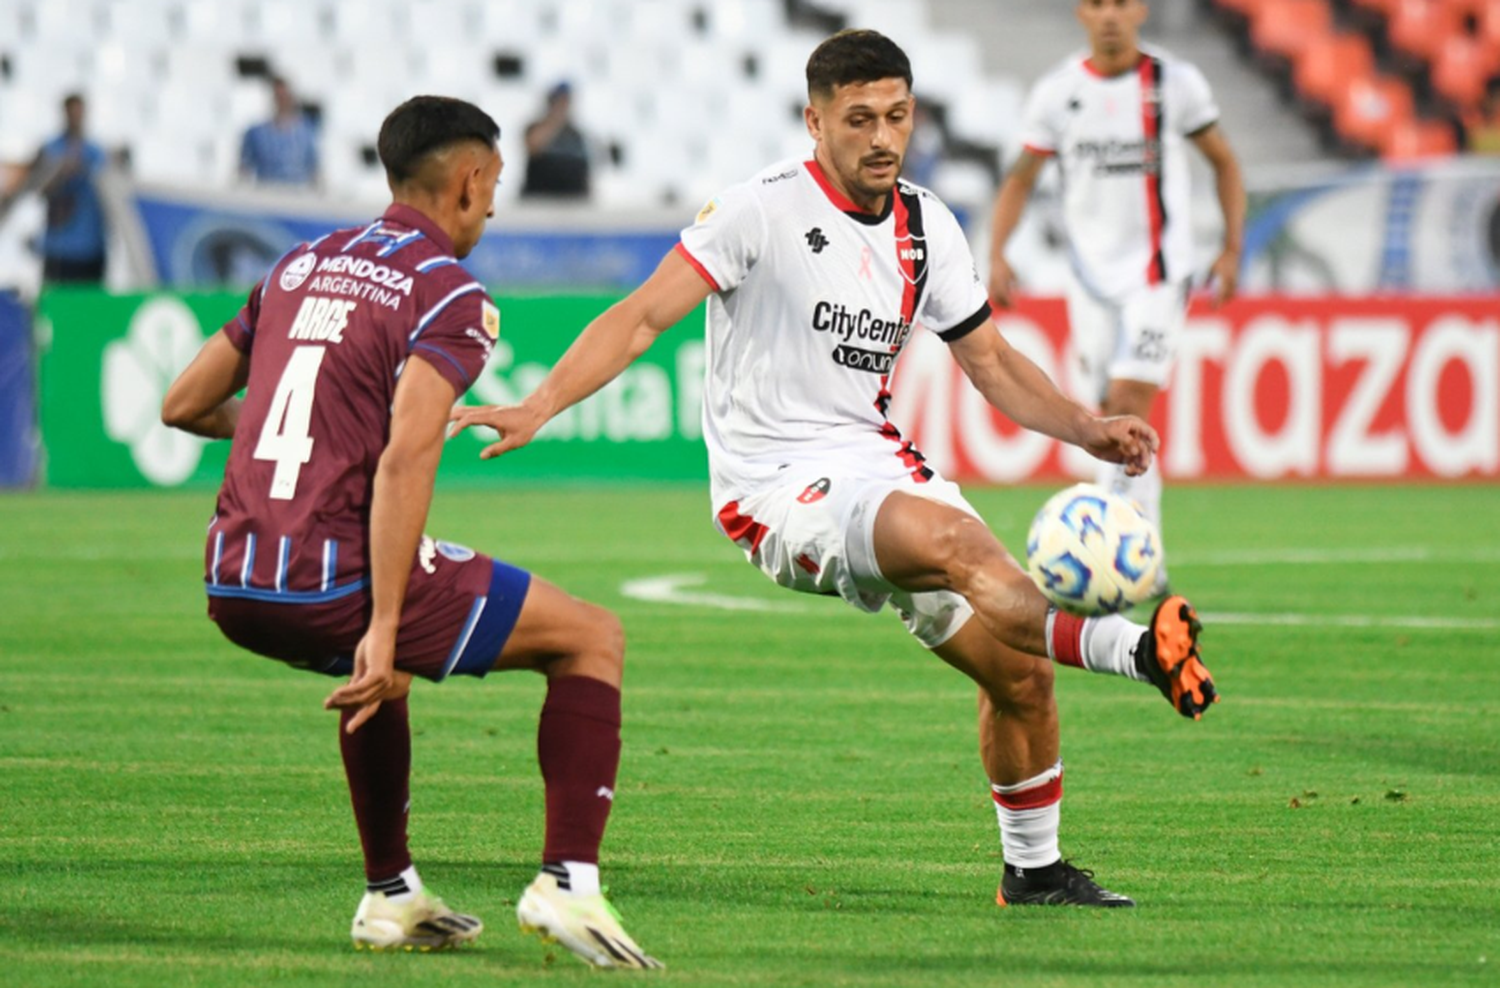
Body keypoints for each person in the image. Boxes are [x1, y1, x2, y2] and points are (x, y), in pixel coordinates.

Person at [452, 30, 1218, 909]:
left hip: (876, 460)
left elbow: (993, 363)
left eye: (897, 116)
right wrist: (540, 404)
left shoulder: (928, 224)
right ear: (814, 121)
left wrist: (1086, 427)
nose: (883, 137)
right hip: (775, 487)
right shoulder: (758, 210)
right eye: (860, 120)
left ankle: (1034, 873)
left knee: (1020, 673)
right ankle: (1138, 653)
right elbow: (638, 318)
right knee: (955, 540)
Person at [160, 96, 659, 969]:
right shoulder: (449, 293)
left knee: (378, 680)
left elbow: (183, 403)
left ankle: (391, 896)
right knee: (591, 637)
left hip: (233, 580)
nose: (495, 205)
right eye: (494, 184)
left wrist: (309, 438)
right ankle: (567, 884)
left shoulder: (299, 263)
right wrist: (383, 627)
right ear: (468, 182)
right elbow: (404, 460)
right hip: (331, 583)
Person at [989, 0, 1245, 593]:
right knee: (1107, 416)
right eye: (1098, 3)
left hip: (1159, 275)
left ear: (1142, 10)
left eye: (1122, 3)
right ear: (1082, 12)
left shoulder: (1174, 85)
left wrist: (1231, 248)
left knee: (1129, 402)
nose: (1110, 15)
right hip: (1089, 281)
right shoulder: (1058, 93)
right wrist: (998, 252)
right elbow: (1021, 176)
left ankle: (1115, 551)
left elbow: (1224, 163)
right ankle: (1138, 551)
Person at [0, 93, 108, 284]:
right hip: (59, 248)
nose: (76, 118)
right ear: (64, 113)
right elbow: (36, 189)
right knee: (56, 305)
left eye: (79, 113)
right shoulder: (50, 149)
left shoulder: (97, 152)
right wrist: (60, 173)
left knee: (88, 307)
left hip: (90, 248)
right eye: (71, 112)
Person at [239, 76, 320, 188]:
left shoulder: (307, 132)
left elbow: (314, 169)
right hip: (266, 195)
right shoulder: (256, 133)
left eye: (284, 96)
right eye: (278, 96)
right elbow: (243, 170)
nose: (282, 100)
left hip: (298, 196)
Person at [520, 82, 590, 199]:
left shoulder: (576, 134)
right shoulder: (535, 127)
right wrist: (555, 119)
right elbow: (533, 146)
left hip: (571, 200)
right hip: (539, 198)